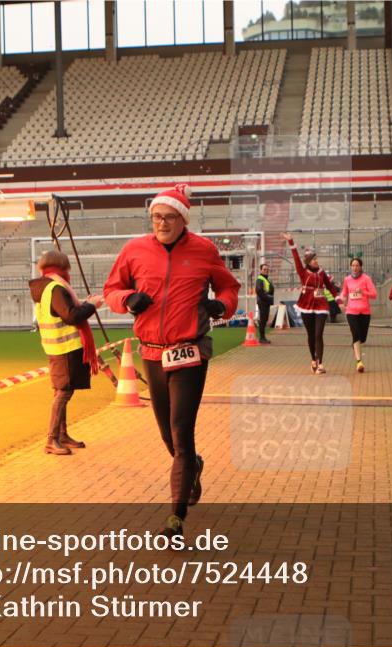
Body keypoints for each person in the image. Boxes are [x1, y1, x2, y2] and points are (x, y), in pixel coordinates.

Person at [104, 184, 240, 539]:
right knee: (167, 433)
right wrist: (127, 299)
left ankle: (176, 518)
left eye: (168, 217)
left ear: (183, 219)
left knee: (181, 428)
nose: (161, 223)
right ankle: (192, 465)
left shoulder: (204, 250)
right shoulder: (134, 250)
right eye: (156, 217)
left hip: (190, 350)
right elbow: (111, 290)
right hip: (151, 351)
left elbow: (229, 288)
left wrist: (221, 305)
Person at [29, 250, 103, 456]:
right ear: (63, 267)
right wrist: (92, 306)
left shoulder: (45, 287)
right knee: (63, 393)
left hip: (56, 347)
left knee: (62, 391)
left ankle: (61, 435)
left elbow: (65, 312)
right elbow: (71, 316)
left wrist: (85, 305)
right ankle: (52, 439)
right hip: (66, 348)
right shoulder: (56, 288)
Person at [282, 232, 338, 374]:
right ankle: (313, 359)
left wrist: (337, 299)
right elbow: (296, 258)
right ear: (308, 262)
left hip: (321, 305)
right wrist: (291, 242)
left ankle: (320, 364)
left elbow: (330, 287)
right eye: (314, 259)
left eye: (316, 258)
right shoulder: (303, 272)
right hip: (306, 304)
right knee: (311, 335)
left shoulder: (322, 272)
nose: (316, 261)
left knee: (319, 334)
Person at [339, 257, 377, 373]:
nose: (355, 267)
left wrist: (363, 292)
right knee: (355, 335)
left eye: (357, 265)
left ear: (360, 267)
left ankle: (357, 347)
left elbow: (374, 294)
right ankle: (359, 362)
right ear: (351, 267)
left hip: (365, 312)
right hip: (351, 312)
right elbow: (344, 293)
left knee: (362, 339)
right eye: (353, 265)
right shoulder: (347, 279)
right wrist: (341, 301)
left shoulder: (366, 279)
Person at [255, 263, 274, 344]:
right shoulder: (260, 279)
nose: (266, 271)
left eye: (267, 269)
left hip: (265, 302)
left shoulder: (265, 279)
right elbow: (259, 291)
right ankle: (262, 338)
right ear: (261, 270)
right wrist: (268, 298)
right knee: (263, 320)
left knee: (264, 320)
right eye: (264, 269)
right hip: (263, 302)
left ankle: (263, 337)